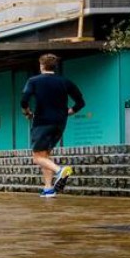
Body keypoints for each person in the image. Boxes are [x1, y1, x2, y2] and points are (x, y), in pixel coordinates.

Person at [21, 53, 84, 198]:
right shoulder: (64, 81)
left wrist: (27, 112)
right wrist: (70, 111)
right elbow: (80, 102)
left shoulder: (34, 81)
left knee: (37, 157)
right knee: (45, 155)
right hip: (60, 123)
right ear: (54, 66)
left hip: (42, 122)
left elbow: (24, 100)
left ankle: (60, 170)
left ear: (41, 65)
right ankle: (48, 188)